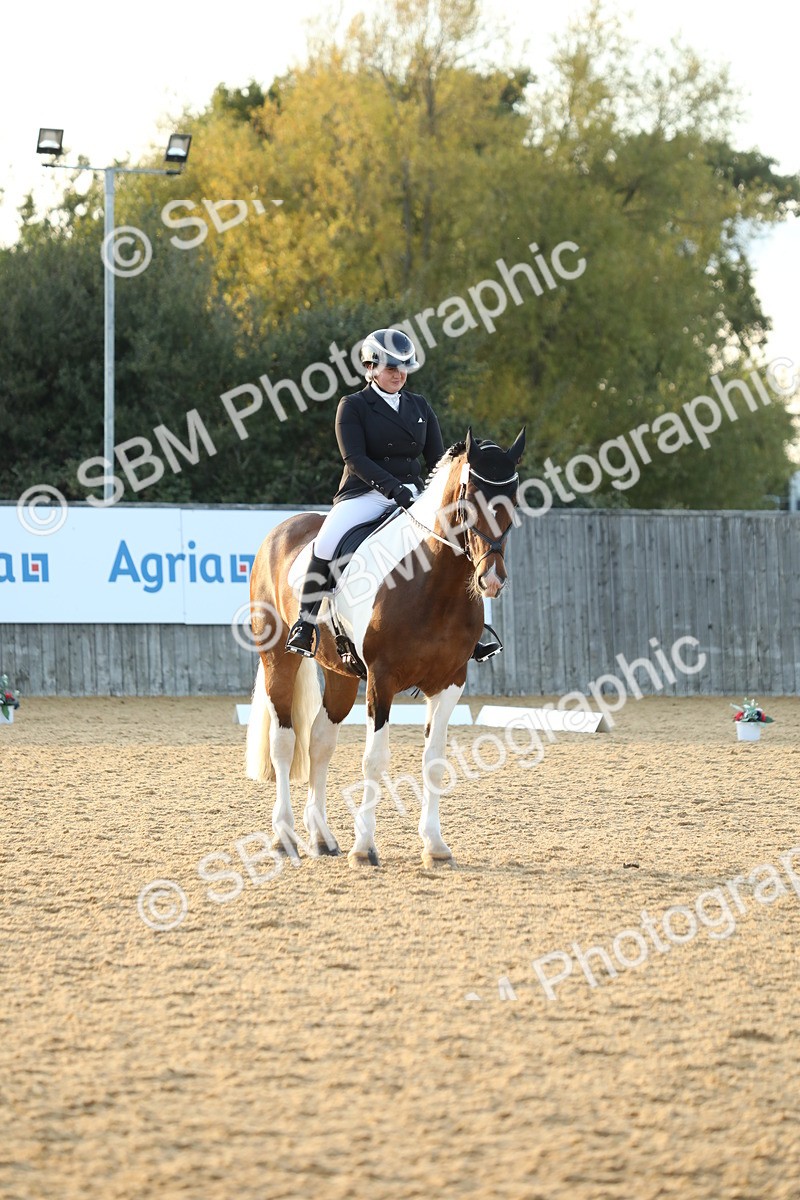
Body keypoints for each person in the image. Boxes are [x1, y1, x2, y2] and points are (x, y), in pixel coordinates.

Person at [285, 328, 501, 663]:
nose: (399, 374)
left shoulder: (419, 406)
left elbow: (436, 460)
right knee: (326, 541)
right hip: (364, 494)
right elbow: (354, 459)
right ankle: (306, 622)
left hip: (414, 494)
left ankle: (471, 632)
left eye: (403, 368)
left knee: (455, 542)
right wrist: (392, 488)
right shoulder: (353, 406)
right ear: (370, 369)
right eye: (390, 368)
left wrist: (435, 493)